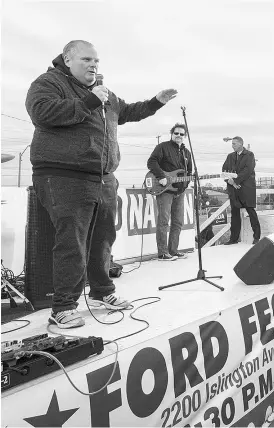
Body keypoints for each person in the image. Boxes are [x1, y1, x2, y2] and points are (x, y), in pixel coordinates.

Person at [26, 40, 177, 328]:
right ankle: (63, 307)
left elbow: (129, 112)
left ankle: (101, 292)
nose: (94, 65)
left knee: (103, 238)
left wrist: (156, 101)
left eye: (97, 61)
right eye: (87, 59)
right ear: (68, 59)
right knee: (72, 241)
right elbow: (42, 112)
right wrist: (90, 101)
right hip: (63, 176)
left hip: (103, 178)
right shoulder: (49, 82)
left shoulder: (104, 94)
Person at [147, 123, 192, 261]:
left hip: (179, 191)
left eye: (181, 134)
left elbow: (189, 172)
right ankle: (162, 253)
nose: (178, 136)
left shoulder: (187, 153)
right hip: (165, 190)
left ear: (185, 136)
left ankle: (173, 251)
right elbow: (151, 162)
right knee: (163, 221)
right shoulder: (162, 147)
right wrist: (161, 177)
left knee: (178, 222)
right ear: (172, 134)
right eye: (176, 133)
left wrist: (184, 186)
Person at [222, 136, 261, 245]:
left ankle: (256, 237)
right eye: (232, 143)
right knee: (234, 214)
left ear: (240, 144)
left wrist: (236, 181)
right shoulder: (230, 156)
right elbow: (224, 170)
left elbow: (248, 170)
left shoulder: (249, 155)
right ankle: (233, 239)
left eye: (234, 143)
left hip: (246, 189)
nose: (232, 145)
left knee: (251, 212)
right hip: (233, 190)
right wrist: (230, 182)